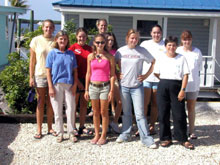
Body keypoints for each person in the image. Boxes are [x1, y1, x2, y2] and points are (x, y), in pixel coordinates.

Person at [115, 29, 157, 149]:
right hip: (124, 86)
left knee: (139, 114)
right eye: (132, 38)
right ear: (127, 38)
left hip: (137, 87)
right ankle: (126, 134)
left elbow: (153, 62)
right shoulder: (120, 51)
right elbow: (113, 64)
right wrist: (117, 73)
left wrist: (145, 76)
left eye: (136, 38)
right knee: (126, 112)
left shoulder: (142, 51)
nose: (134, 40)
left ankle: (146, 138)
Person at [154, 36, 194, 150]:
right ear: (166, 46)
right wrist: (165, 81)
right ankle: (166, 138)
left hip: (177, 86)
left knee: (179, 114)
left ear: (177, 46)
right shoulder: (161, 57)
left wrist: (183, 90)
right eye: (169, 45)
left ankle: (183, 139)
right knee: (163, 114)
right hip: (163, 86)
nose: (171, 47)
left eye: (174, 45)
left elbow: (186, 75)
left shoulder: (181, 58)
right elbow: (157, 73)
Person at [46, 30, 78, 143]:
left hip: (69, 84)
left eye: (65, 39)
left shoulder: (71, 54)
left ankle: (71, 132)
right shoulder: (52, 53)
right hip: (56, 84)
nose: (63, 41)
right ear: (56, 40)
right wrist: (50, 86)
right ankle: (60, 132)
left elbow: (75, 71)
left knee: (71, 109)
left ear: (67, 40)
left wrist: (75, 85)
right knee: (57, 110)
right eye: (61, 39)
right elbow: (48, 71)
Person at [84, 34, 115, 145]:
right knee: (95, 112)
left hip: (104, 87)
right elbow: (88, 73)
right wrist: (86, 89)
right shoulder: (90, 57)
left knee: (104, 112)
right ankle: (96, 134)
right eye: (97, 42)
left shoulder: (110, 57)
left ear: (105, 43)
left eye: (102, 42)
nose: (100, 44)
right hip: (93, 87)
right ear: (94, 43)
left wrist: (111, 90)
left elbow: (112, 75)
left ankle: (103, 135)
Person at [29, 19, 56, 139]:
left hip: (53, 76)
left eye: (50, 27)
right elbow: (32, 61)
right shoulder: (36, 40)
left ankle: (50, 127)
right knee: (40, 102)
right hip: (40, 75)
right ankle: (39, 129)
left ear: (53, 29)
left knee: (50, 103)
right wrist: (31, 77)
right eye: (46, 27)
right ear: (42, 28)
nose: (48, 29)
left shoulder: (55, 41)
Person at [176, 30, 203, 140]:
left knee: (191, 108)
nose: (187, 41)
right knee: (179, 109)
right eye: (184, 39)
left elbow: (199, 67)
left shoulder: (197, 52)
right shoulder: (178, 51)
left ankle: (191, 131)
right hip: (180, 85)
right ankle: (179, 130)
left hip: (193, 84)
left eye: (189, 39)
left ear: (191, 40)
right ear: (182, 40)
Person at [140, 24, 166, 135]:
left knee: (155, 103)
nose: (156, 35)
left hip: (159, 78)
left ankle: (152, 126)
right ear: (151, 33)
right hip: (146, 77)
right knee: (144, 103)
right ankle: (142, 126)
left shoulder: (165, 44)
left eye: (158, 32)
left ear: (161, 33)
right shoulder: (145, 44)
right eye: (154, 32)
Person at [69, 28, 93, 136]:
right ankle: (72, 126)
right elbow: (69, 66)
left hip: (87, 79)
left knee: (84, 104)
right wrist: (77, 81)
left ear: (86, 37)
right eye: (80, 36)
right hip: (75, 79)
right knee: (73, 104)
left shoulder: (90, 49)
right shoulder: (72, 48)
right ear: (76, 36)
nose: (81, 38)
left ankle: (82, 126)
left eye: (83, 36)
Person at [105, 32, 122, 134]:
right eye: (108, 40)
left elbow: (119, 66)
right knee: (105, 103)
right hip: (103, 80)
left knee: (120, 102)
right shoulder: (100, 51)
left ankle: (115, 122)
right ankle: (105, 124)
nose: (110, 42)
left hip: (114, 79)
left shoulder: (116, 52)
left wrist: (119, 73)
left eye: (112, 40)